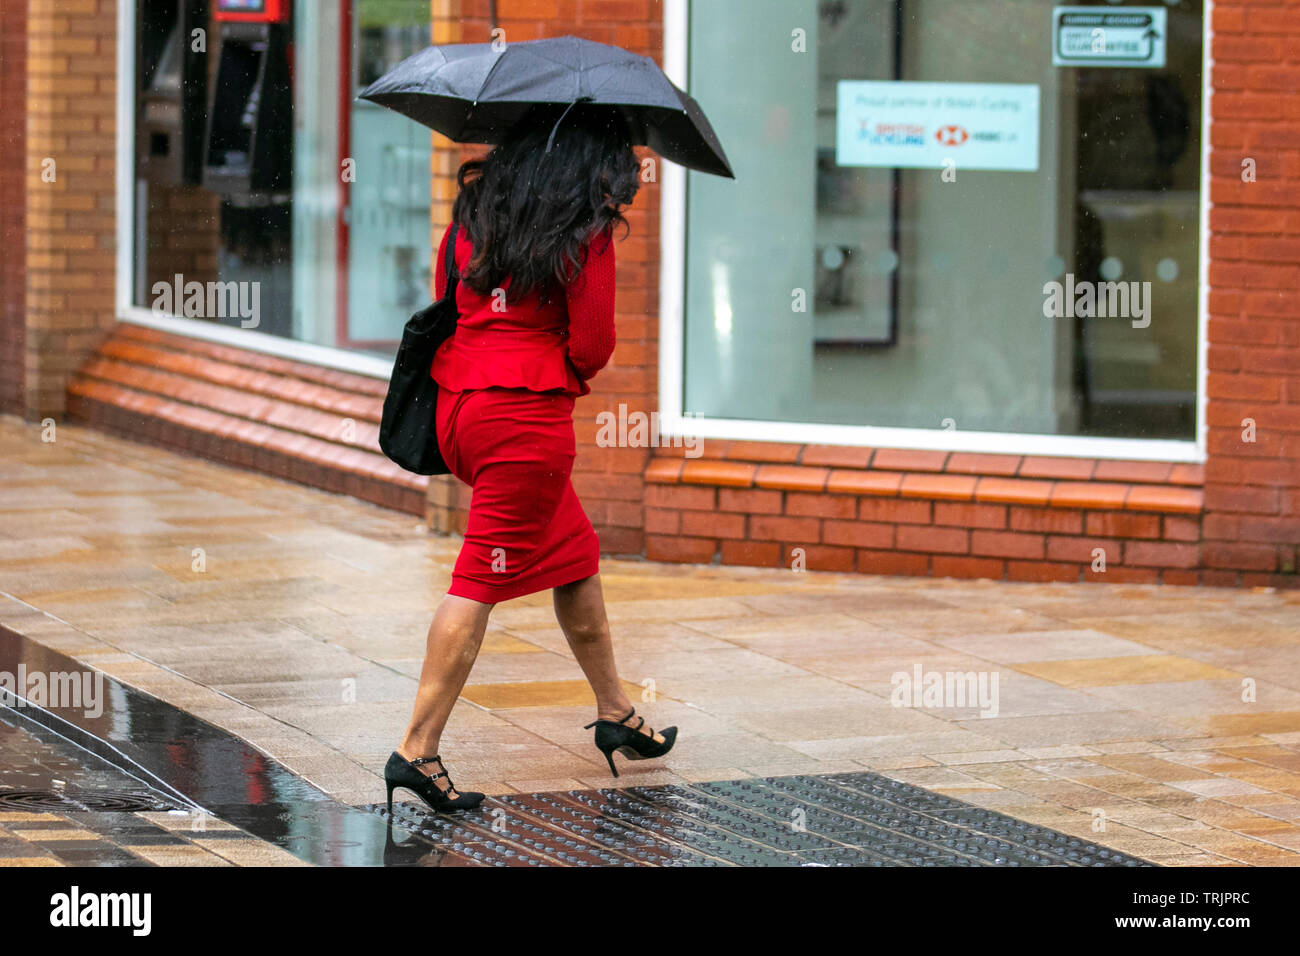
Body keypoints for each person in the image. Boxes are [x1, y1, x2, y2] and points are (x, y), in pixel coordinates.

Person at [385, 105, 677, 816]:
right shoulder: (585, 231)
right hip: (523, 423)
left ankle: (616, 711)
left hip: (458, 408)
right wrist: (546, 367)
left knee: (572, 553)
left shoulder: (475, 212)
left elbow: (446, 300)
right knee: (476, 582)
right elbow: (594, 345)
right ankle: (416, 752)